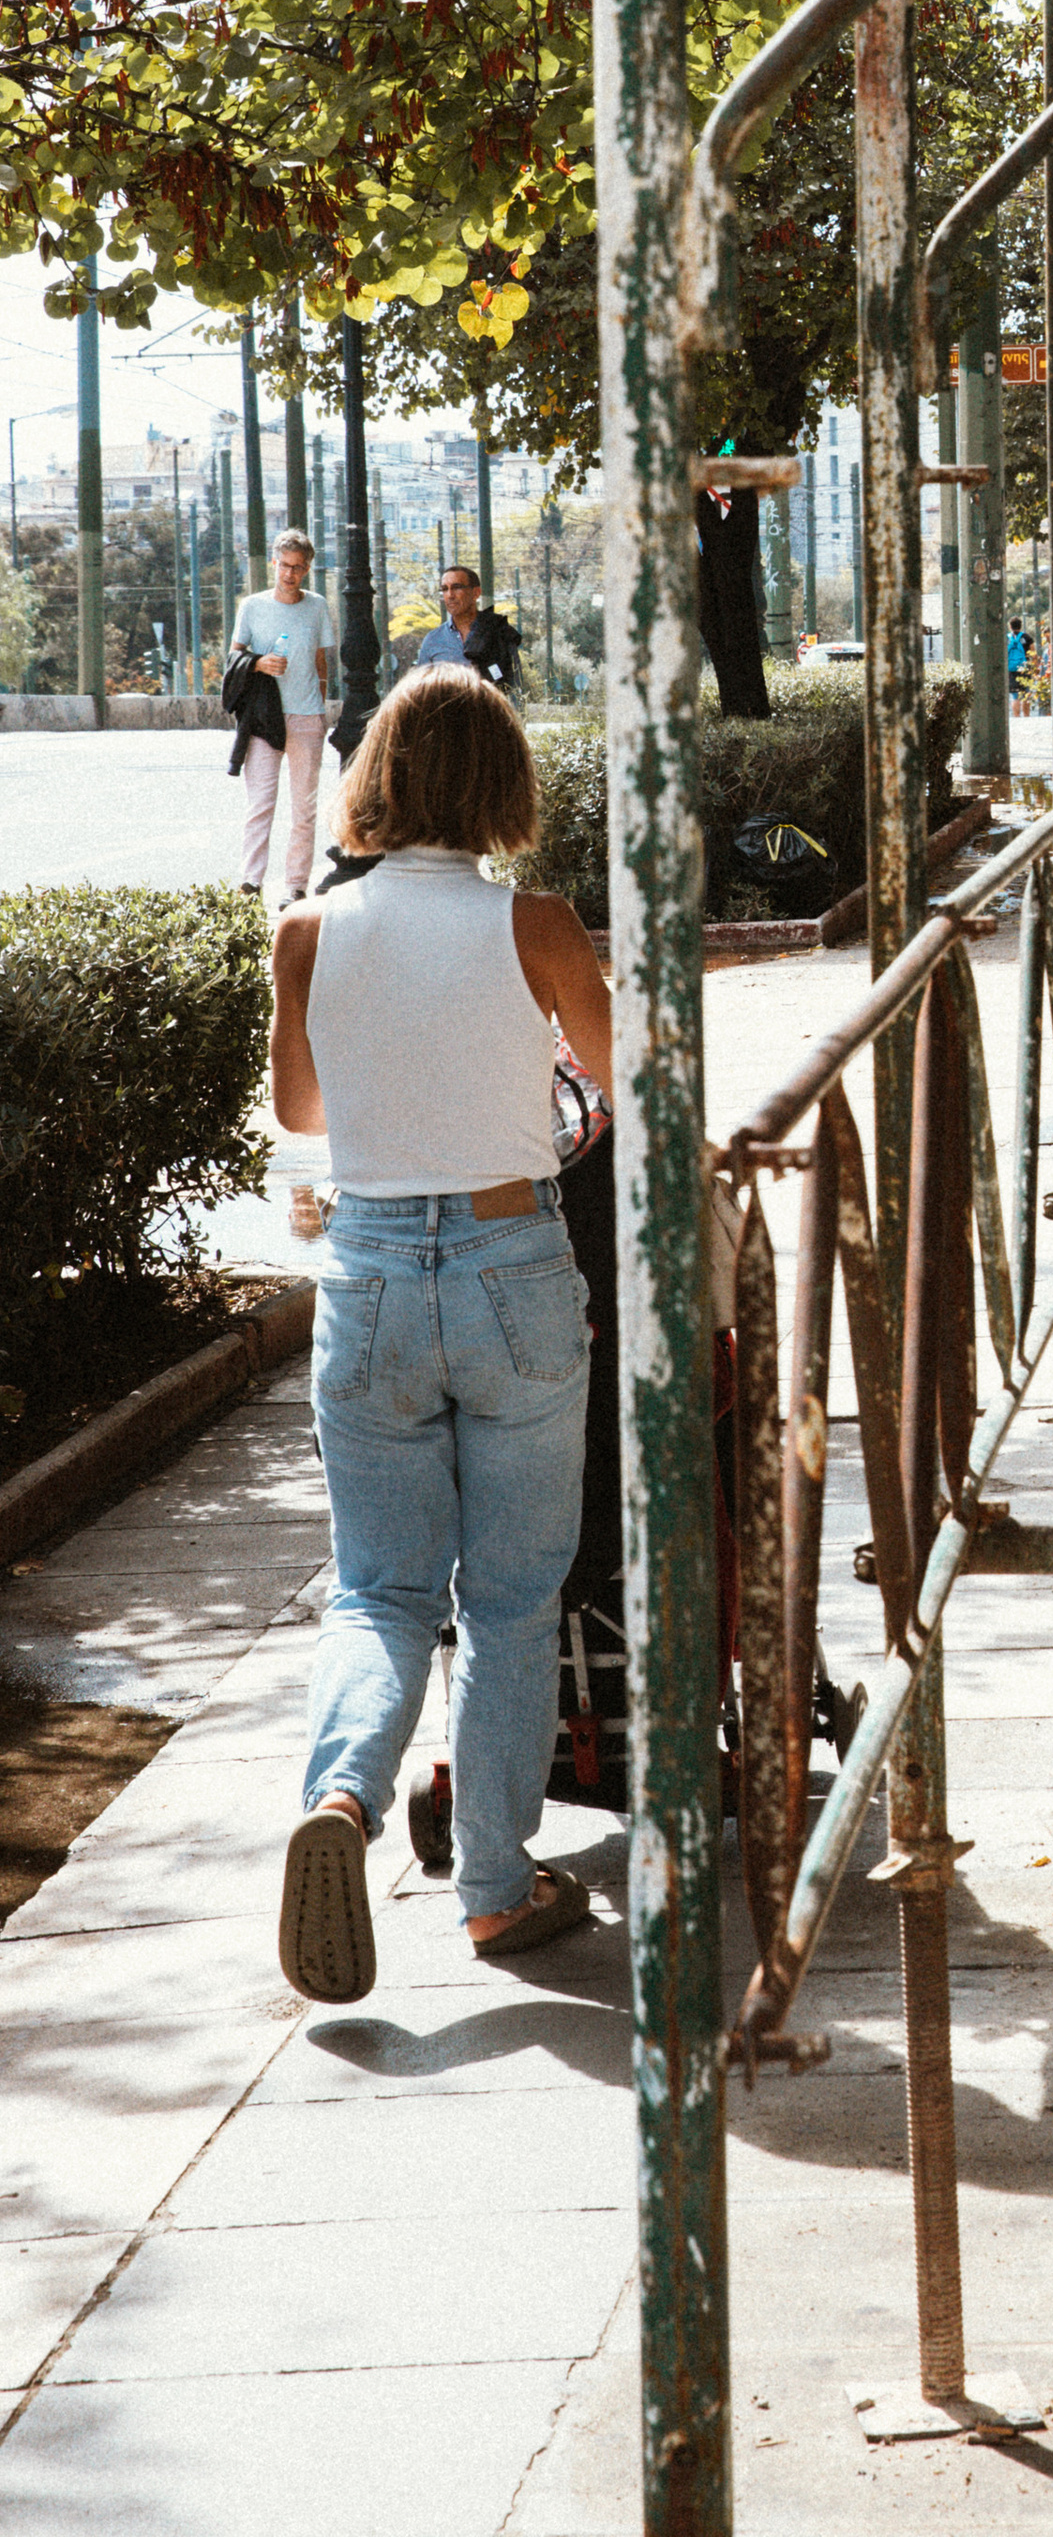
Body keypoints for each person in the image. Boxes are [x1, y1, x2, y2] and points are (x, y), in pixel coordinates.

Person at [267, 667, 612, 2002]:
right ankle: (494, 1890)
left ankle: (344, 1805)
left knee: (377, 1591)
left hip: (365, 1268)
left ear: (377, 780)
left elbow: (302, 1108)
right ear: (499, 786)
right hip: (510, 1258)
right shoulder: (538, 924)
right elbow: (619, 1076)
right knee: (512, 1600)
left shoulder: (307, 929)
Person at [231, 529, 333, 901]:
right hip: (263, 717)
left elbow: (322, 662)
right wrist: (258, 663)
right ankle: (251, 882)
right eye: (285, 566)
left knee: (304, 807)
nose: (290, 574)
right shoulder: (252, 607)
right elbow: (234, 657)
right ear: (274, 563)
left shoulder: (318, 606)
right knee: (261, 803)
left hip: (306, 716)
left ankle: (296, 886)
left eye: (298, 568)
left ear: (307, 569)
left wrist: (319, 709)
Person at [411, 560, 523, 692]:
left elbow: (516, 687)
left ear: (476, 593)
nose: (450, 595)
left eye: (457, 587)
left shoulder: (498, 632)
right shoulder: (433, 640)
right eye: (445, 589)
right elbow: (421, 692)